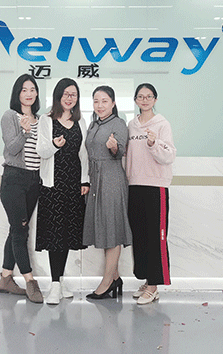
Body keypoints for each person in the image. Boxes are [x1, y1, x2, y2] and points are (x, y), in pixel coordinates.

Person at [36, 78, 90, 305]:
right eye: (66, 94)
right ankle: (55, 284)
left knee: (67, 234)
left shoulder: (81, 121)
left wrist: (85, 180)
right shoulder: (46, 120)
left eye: (73, 94)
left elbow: (84, 154)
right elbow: (41, 151)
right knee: (55, 235)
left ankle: (60, 280)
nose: (70, 98)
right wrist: (55, 145)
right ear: (58, 95)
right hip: (53, 185)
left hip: (73, 184)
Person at [125, 83, 176, 304]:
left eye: (149, 96)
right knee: (140, 236)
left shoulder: (162, 124)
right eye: (140, 96)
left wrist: (154, 143)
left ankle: (154, 285)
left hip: (156, 187)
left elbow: (169, 156)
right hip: (134, 185)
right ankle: (147, 281)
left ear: (155, 99)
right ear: (135, 100)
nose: (144, 100)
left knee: (156, 236)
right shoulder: (131, 125)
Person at [0, 74, 43, 303]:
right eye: (24, 89)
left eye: (32, 89)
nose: (28, 93)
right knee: (20, 231)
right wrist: (25, 132)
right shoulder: (10, 116)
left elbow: (42, 151)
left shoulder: (40, 119)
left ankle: (6, 278)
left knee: (16, 229)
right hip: (14, 179)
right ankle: (30, 281)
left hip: (34, 181)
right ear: (17, 93)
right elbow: (12, 149)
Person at [83, 85, 131, 299]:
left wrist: (113, 147)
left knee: (112, 229)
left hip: (111, 179)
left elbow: (119, 151)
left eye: (104, 101)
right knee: (104, 229)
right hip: (96, 179)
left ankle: (106, 282)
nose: (100, 105)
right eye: (96, 101)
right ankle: (115, 277)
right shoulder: (93, 124)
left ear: (113, 103)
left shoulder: (118, 123)